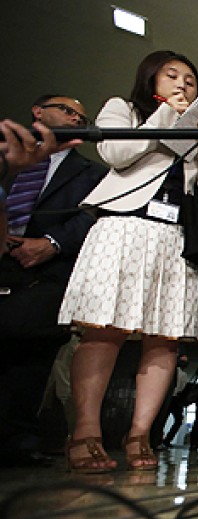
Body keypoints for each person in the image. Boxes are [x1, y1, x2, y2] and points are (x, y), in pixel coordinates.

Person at [58, 50, 198, 473]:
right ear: (151, 79)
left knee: (165, 339)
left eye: (190, 80)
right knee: (104, 331)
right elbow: (116, 153)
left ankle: (139, 434)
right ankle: (85, 433)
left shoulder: (192, 131)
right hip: (126, 227)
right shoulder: (124, 109)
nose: (183, 84)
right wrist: (166, 116)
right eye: (173, 76)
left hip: (175, 236)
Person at [0, 95, 107, 467]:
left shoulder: (91, 173)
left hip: (47, 269)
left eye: (82, 117)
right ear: (38, 111)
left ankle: (17, 442)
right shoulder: (6, 155)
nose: (75, 119)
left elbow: (93, 216)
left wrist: (51, 243)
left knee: (31, 359)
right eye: (67, 111)